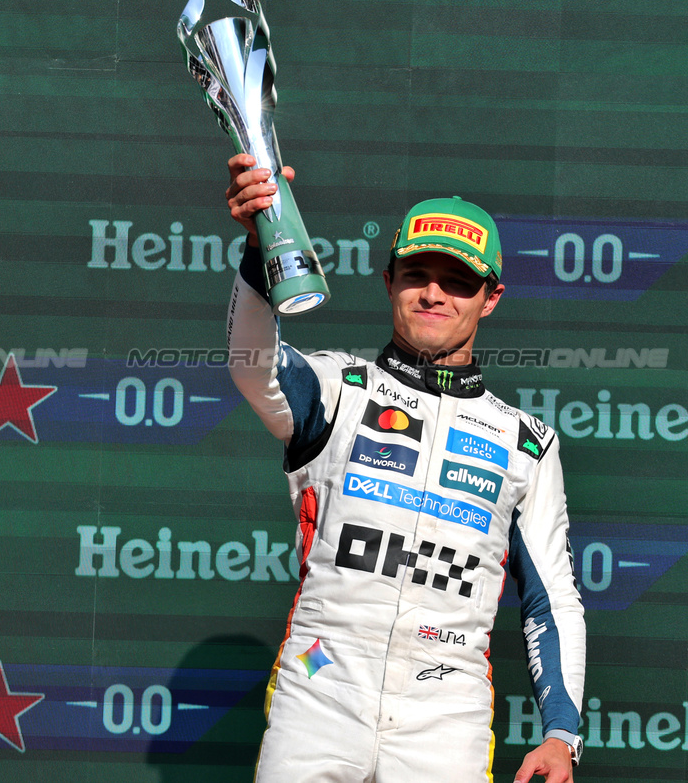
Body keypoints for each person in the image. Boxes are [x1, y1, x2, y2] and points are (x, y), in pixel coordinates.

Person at [224, 154, 585, 783]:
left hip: (446, 710)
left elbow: (550, 597)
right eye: (418, 273)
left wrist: (561, 734)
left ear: (491, 297)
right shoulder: (338, 388)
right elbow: (251, 365)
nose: (434, 293)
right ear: (390, 279)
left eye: (459, 281)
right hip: (321, 682)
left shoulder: (526, 443)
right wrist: (261, 249)